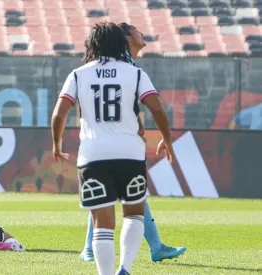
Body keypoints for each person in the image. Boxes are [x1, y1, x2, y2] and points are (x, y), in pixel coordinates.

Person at [51, 22, 175, 275]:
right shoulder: (134, 73)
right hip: (129, 154)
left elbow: (59, 113)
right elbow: (157, 108)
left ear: (92, 44)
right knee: (134, 215)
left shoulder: (78, 74)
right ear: (121, 43)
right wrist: (167, 139)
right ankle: (125, 269)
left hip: (93, 156)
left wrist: (56, 143)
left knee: (102, 224)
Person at [79, 23, 187, 263]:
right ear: (127, 38)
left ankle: (90, 248)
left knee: (107, 192)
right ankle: (154, 247)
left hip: (106, 141)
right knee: (126, 193)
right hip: (119, 141)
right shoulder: (124, 65)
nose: (141, 32)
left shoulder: (117, 63)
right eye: (136, 30)